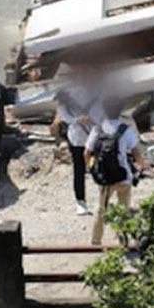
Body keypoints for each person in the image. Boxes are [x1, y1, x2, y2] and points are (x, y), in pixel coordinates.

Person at [84, 97, 145, 246]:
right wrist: (141, 166)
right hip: (123, 176)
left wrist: (93, 169)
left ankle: (96, 239)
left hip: (105, 178)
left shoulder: (98, 128)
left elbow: (86, 153)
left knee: (101, 209)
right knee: (124, 210)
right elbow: (136, 153)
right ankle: (120, 239)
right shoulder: (125, 129)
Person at [53, 82, 95, 216]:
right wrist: (77, 119)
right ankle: (81, 202)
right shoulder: (65, 94)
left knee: (99, 166)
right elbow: (62, 114)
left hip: (94, 135)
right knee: (79, 170)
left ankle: (104, 198)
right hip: (77, 137)